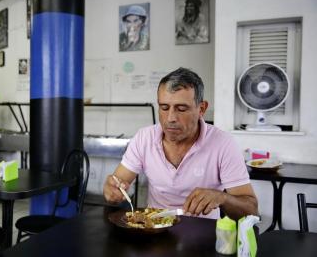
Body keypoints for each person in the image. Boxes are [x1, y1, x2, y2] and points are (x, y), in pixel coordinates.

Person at [103, 67, 258, 220]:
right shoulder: (144, 138)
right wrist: (112, 190)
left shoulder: (223, 144)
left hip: (203, 234)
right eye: (164, 108)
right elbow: (117, 182)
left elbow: (251, 211)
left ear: (201, 109)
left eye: (181, 109)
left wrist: (223, 198)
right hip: (156, 230)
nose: (170, 118)